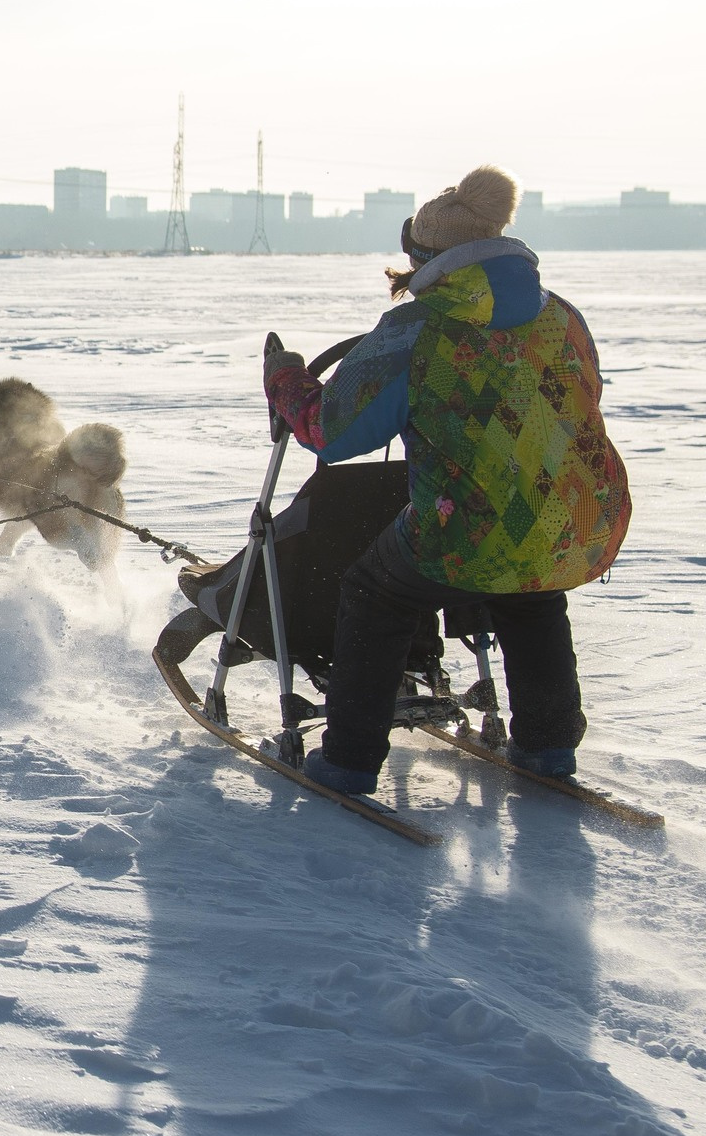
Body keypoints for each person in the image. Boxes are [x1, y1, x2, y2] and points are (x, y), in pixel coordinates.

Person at [262, 165, 630, 794]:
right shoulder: (560, 314)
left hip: (470, 526)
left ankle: (348, 760)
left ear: (428, 258)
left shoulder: (419, 327)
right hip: (579, 518)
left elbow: (333, 431)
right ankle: (547, 746)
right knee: (530, 593)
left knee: (375, 593)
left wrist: (285, 381)